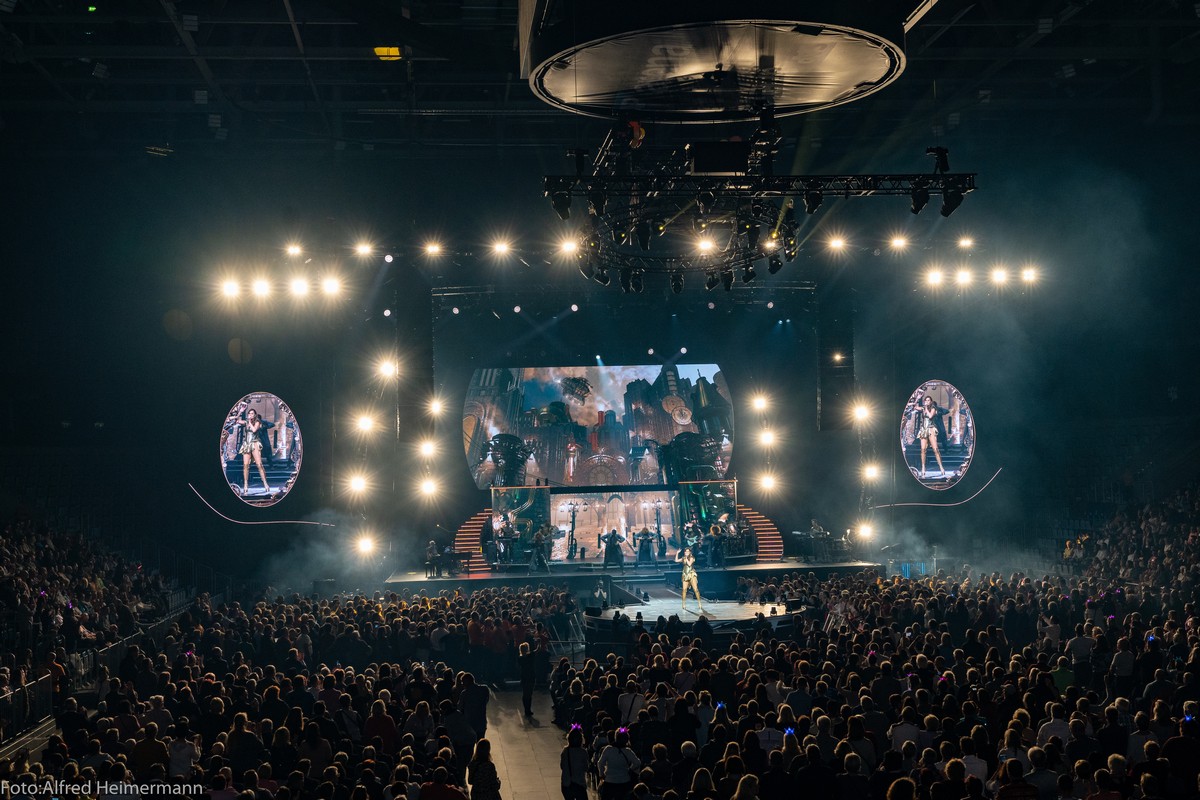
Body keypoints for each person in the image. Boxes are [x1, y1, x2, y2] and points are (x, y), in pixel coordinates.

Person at [236, 407, 273, 494]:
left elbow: (254, 430)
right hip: (247, 444)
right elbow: (236, 421)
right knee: (245, 465)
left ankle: (265, 483)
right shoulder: (246, 422)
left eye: (252, 413)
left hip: (255, 443)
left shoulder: (257, 422)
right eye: (249, 413)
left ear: (255, 415)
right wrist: (240, 412)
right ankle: (245, 485)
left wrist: (249, 422)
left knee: (259, 465)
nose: (250, 415)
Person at [912, 395, 949, 479]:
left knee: (935, 449)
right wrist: (917, 398)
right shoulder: (923, 408)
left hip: (931, 429)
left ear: (931, 401)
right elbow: (914, 407)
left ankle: (941, 467)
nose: (927, 401)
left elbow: (930, 416)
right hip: (924, 430)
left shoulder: (933, 408)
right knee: (923, 450)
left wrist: (925, 408)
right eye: (926, 400)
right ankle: (923, 468)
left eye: (928, 400)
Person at [598, 729, 642, 800]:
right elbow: (637, 763)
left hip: (609, 780)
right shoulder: (628, 751)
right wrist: (630, 769)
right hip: (624, 781)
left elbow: (600, 763)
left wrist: (602, 774)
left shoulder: (608, 749)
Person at [560, 726, 590, 800]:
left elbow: (562, 766)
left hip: (566, 784)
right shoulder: (583, 752)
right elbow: (586, 768)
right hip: (579, 784)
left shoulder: (565, 751)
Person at [676, 546, 703, 612]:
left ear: (690, 552)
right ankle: (683, 604)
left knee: (695, 589)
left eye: (688, 551)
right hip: (685, 574)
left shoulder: (692, 558)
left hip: (691, 574)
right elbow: (676, 560)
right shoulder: (683, 558)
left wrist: (686, 558)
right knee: (684, 590)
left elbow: (689, 564)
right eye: (685, 551)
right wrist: (677, 553)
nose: (686, 552)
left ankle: (699, 602)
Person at [518, 641, 538, 717]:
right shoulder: (530, 656)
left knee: (525, 693)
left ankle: (526, 709)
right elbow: (537, 650)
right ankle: (528, 709)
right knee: (529, 694)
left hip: (524, 676)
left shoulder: (520, 658)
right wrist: (538, 643)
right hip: (531, 676)